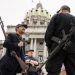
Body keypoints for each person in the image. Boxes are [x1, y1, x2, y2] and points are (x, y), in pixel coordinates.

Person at [45, 5, 75, 75]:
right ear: (69, 11)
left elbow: (48, 34)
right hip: (72, 50)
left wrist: (49, 46)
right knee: (72, 71)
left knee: (53, 71)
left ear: (61, 10)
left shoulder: (56, 16)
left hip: (57, 47)